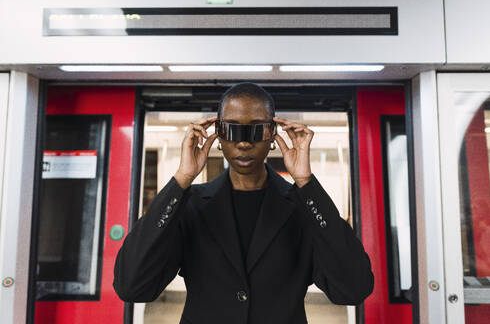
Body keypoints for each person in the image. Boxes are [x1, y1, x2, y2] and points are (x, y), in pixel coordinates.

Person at [113, 82, 374, 324]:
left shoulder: (303, 208)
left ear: (272, 134)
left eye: (256, 130)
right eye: (232, 129)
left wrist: (306, 183)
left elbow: (354, 288)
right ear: (217, 135)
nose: (243, 142)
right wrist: (181, 180)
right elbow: (131, 284)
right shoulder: (191, 206)